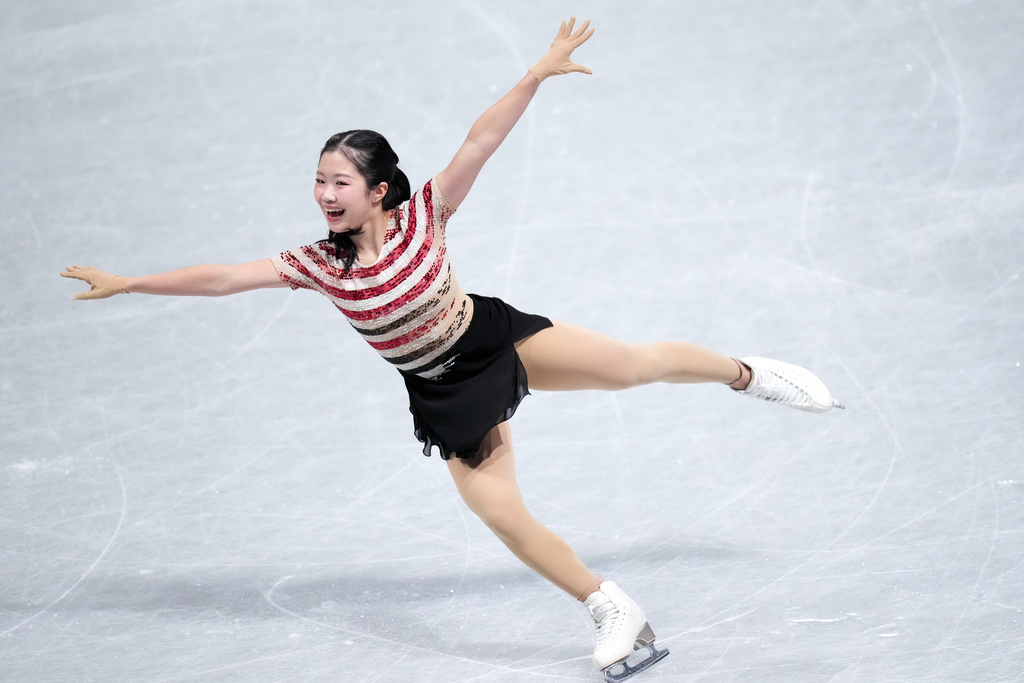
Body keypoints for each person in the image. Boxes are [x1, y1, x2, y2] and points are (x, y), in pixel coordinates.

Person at [62, 18, 843, 682]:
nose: (325, 194)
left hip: (494, 339)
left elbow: (481, 139)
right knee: (500, 513)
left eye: (339, 182)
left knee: (632, 366)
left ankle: (750, 374)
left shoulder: (425, 215)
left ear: (378, 189)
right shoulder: (320, 264)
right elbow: (226, 277)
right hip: (443, 392)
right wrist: (131, 282)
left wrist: (534, 74)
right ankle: (612, 606)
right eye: (318, 180)